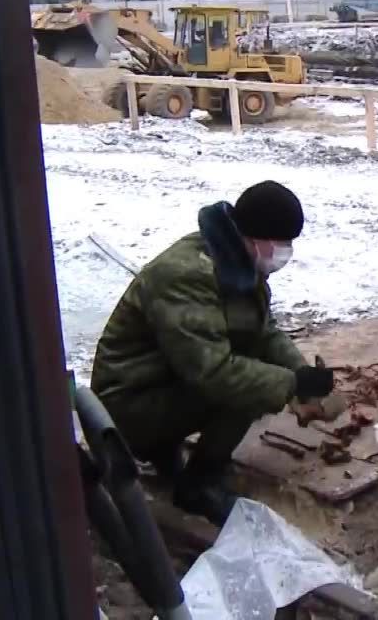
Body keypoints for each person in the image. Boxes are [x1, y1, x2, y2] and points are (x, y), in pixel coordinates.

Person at [91, 181, 335, 526]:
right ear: (256, 236)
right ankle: (199, 485)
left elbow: (261, 332)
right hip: (126, 404)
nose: (285, 252)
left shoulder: (236, 261)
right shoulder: (186, 274)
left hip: (160, 381)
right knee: (247, 389)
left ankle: (165, 448)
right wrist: (290, 383)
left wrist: (303, 375)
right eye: (281, 243)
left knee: (256, 371)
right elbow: (214, 373)